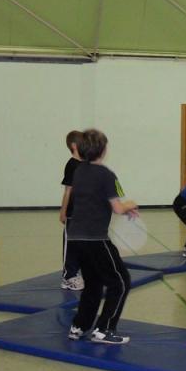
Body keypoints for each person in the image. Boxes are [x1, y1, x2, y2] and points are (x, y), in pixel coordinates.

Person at [66, 129, 138, 345]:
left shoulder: (79, 171)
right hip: (95, 239)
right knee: (121, 282)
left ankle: (79, 326)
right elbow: (117, 208)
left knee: (93, 283)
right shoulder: (106, 174)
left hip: (75, 238)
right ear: (103, 150)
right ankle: (104, 329)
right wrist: (131, 205)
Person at [59, 130, 84, 290]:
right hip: (73, 213)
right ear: (74, 146)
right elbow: (68, 190)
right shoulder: (72, 165)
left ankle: (78, 272)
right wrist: (63, 211)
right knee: (71, 244)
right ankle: (68, 277)